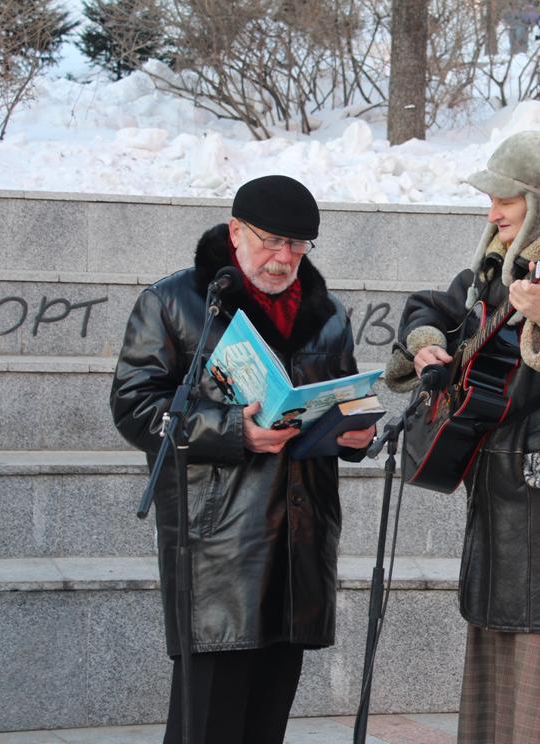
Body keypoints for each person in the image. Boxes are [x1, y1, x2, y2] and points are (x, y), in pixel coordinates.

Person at [383, 131, 540, 743]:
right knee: (498, 668)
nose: (492, 212)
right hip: (497, 496)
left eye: (506, 200)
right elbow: (426, 307)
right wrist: (427, 347)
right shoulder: (497, 268)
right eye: (491, 200)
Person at [109, 174, 376, 744]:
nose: (283, 259)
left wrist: (353, 435)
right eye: (270, 242)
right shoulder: (175, 302)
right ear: (235, 231)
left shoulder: (328, 315)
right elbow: (135, 405)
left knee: (266, 723)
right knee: (206, 726)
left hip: (298, 546)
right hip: (218, 550)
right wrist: (236, 430)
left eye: (298, 247)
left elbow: (341, 399)